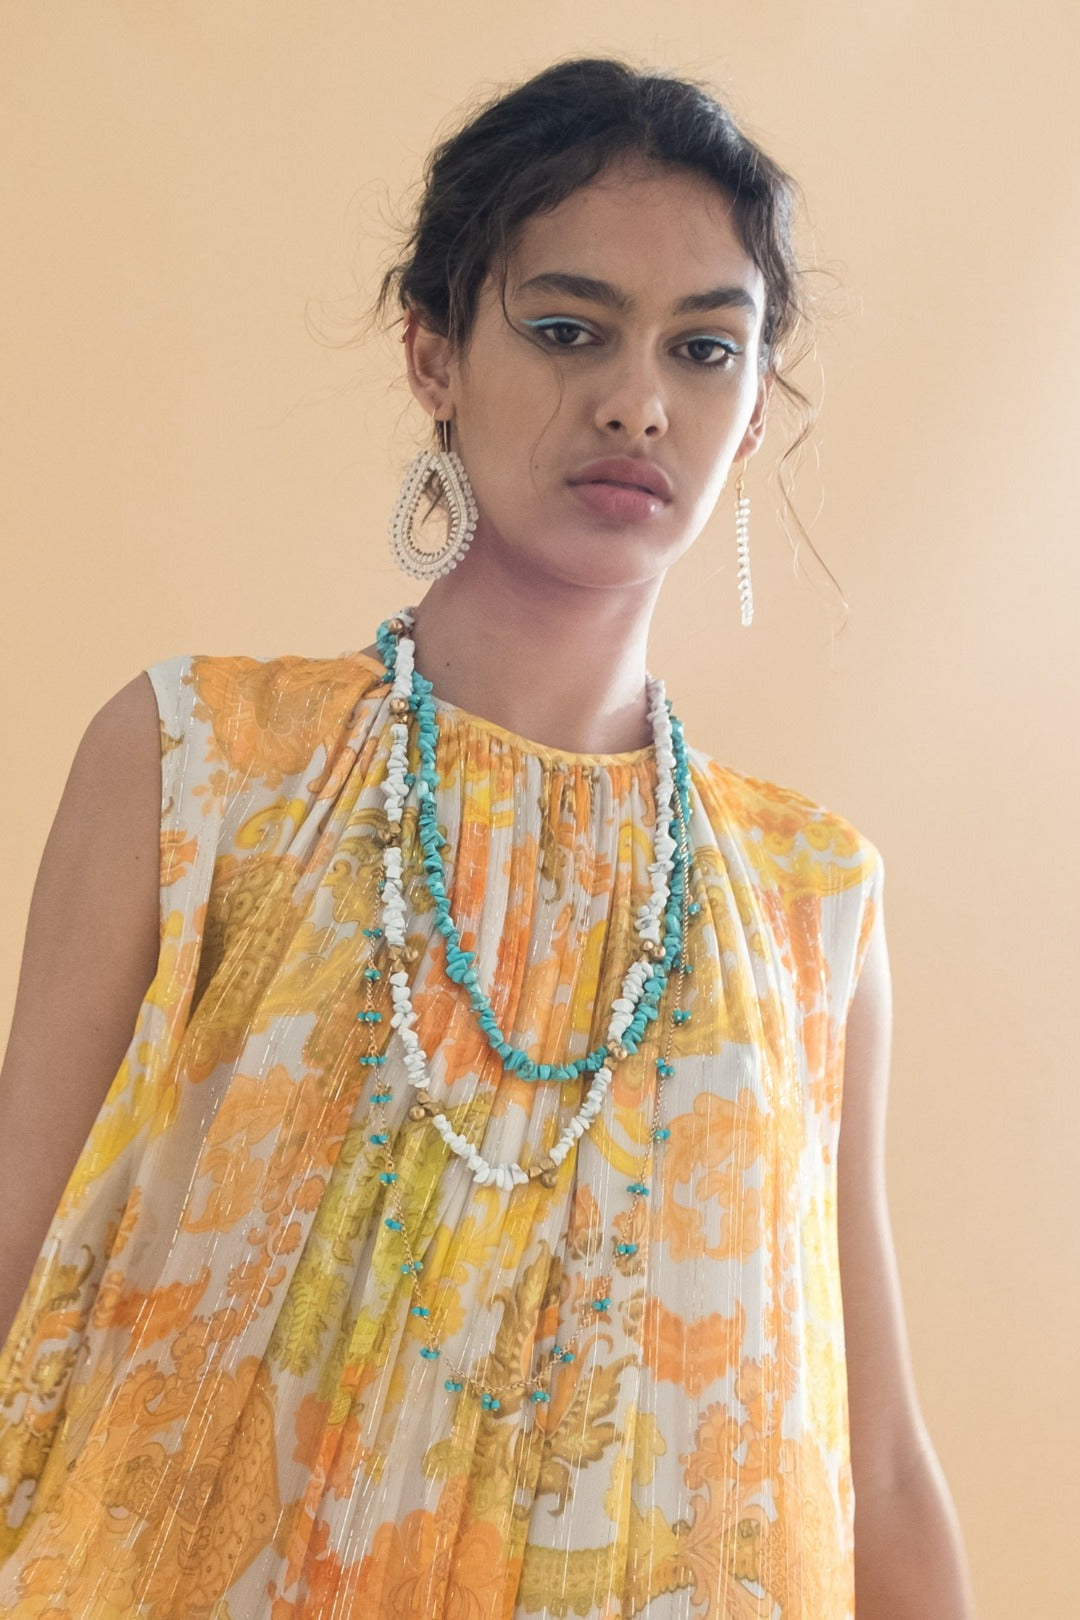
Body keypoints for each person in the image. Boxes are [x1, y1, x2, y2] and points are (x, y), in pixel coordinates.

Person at [0, 54, 975, 1620]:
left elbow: (877, 1467)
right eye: (569, 327)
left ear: (752, 413)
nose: (637, 400)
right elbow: (16, 1267)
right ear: (434, 351)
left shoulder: (814, 903)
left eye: (704, 348)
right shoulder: (200, 768)